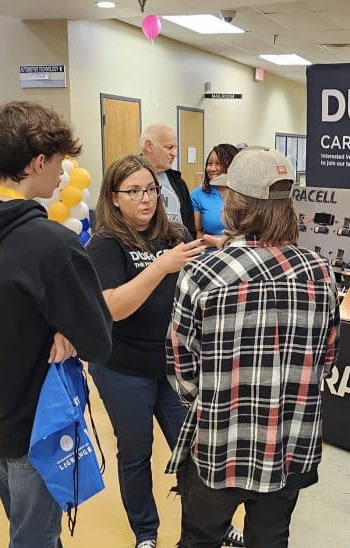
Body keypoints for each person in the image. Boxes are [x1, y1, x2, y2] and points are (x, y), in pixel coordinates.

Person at [0, 101, 113, 548]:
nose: (63, 173)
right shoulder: (51, 244)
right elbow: (98, 339)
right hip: (31, 419)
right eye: (58, 162)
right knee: (33, 536)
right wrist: (72, 332)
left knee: (24, 523)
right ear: (37, 162)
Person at [167, 146, 341, 548]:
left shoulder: (204, 272)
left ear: (236, 203)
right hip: (290, 441)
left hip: (220, 441)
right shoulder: (321, 273)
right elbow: (326, 360)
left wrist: (213, 398)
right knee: (271, 537)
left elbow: (181, 366)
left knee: (200, 537)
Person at [86, 154, 204, 548]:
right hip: (123, 367)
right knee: (136, 453)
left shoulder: (177, 234)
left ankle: (206, 526)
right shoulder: (104, 243)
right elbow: (113, 308)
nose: (145, 198)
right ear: (114, 198)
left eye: (150, 189)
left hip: (173, 366)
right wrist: (159, 267)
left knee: (192, 452)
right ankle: (146, 533)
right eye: (133, 191)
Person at [140, 124, 196, 238]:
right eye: (169, 147)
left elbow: (189, 225)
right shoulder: (128, 179)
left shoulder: (178, 182)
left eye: (175, 148)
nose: (174, 153)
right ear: (149, 146)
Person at [191, 144, 239, 248]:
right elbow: (198, 232)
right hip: (210, 252)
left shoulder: (243, 194)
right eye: (209, 164)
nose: (212, 169)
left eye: (218, 164)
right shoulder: (198, 194)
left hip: (240, 250)